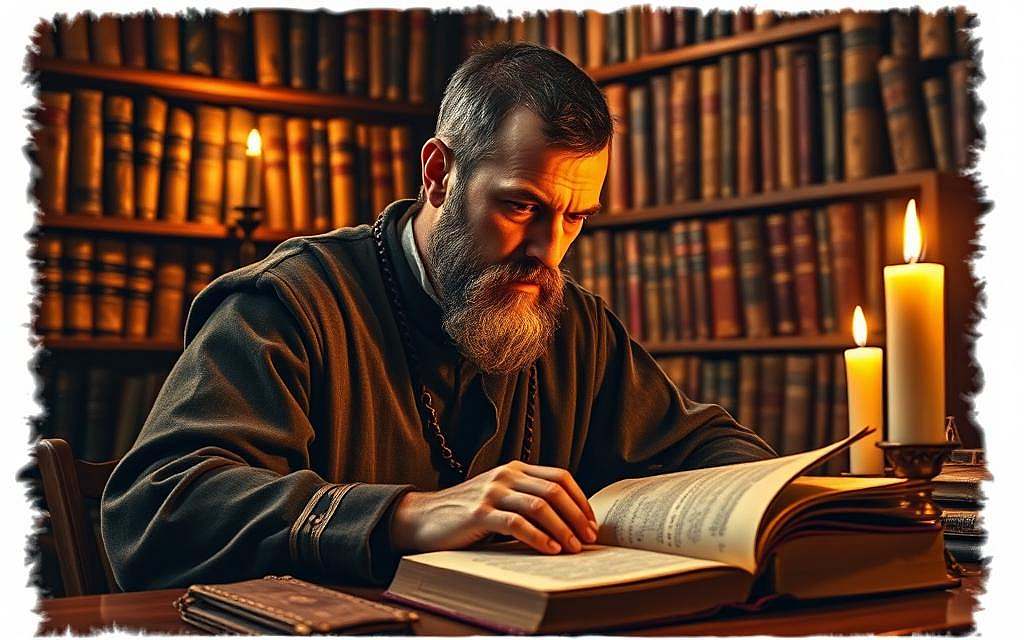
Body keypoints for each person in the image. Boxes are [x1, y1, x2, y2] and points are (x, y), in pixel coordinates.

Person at [101, 42, 775, 592]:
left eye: (575, 217)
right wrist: (405, 515)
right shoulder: (289, 303)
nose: (548, 251)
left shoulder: (574, 325)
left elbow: (713, 455)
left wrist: (779, 509)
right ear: (438, 174)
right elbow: (159, 510)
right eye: (522, 207)